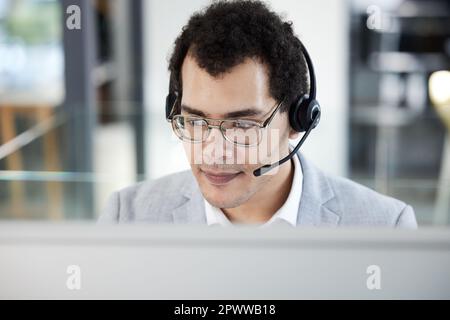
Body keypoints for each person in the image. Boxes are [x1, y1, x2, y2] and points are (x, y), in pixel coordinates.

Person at [99, 0, 417, 228]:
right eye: (195, 122)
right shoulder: (126, 217)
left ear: (297, 119)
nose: (214, 153)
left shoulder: (386, 226)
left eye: (241, 126)